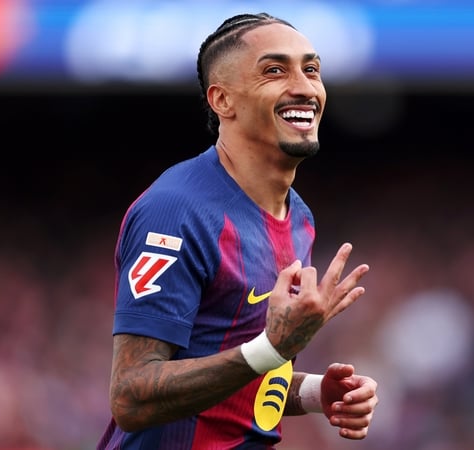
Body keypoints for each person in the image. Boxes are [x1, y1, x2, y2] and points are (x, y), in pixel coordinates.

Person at [96, 12, 379, 450]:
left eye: (311, 69)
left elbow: (243, 371)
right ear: (222, 100)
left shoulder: (298, 218)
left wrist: (315, 393)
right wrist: (272, 348)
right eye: (274, 71)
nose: (305, 87)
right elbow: (131, 397)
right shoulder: (177, 211)